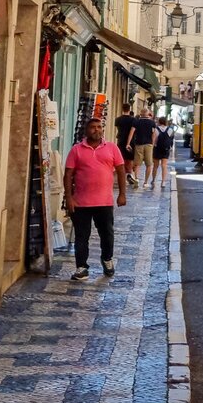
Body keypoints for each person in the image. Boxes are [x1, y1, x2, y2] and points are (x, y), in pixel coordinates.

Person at [64, 114, 128, 282]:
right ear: (86, 130)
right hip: (81, 202)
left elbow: (121, 171)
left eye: (99, 127)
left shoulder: (112, 148)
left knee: (107, 234)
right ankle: (82, 268)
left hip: (104, 202)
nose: (97, 130)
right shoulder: (76, 150)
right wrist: (69, 198)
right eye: (93, 127)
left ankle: (107, 259)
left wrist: (122, 194)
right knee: (81, 236)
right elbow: (68, 174)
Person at [126, 103, 157, 187]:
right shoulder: (152, 123)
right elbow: (154, 134)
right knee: (149, 164)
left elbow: (131, 133)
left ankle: (136, 179)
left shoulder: (137, 122)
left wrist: (128, 143)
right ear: (148, 114)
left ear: (141, 113)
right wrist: (153, 144)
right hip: (148, 145)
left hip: (139, 144)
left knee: (137, 164)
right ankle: (146, 182)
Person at [150, 110, 174, 188]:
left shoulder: (156, 129)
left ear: (159, 122)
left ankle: (153, 180)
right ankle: (163, 182)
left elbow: (153, 140)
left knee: (155, 166)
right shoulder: (170, 130)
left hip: (157, 149)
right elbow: (171, 139)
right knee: (164, 165)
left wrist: (152, 149)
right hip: (165, 149)